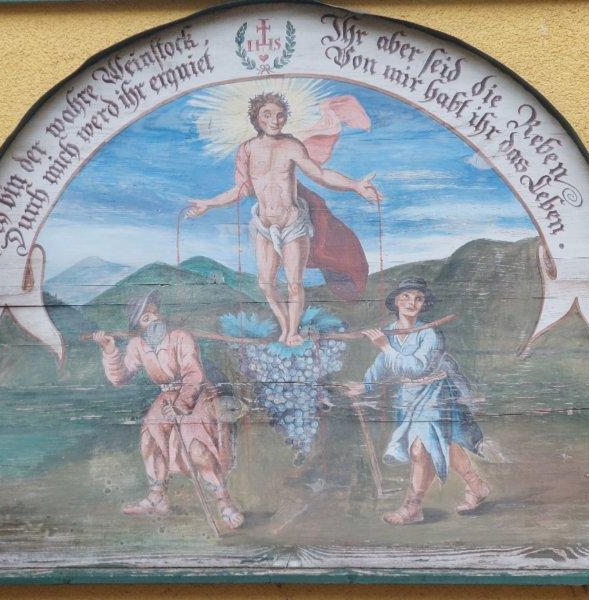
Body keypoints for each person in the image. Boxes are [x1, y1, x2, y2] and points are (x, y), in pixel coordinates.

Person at [185, 92, 381, 346]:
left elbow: (320, 174)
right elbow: (242, 190)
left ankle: (292, 332)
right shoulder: (247, 149)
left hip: (293, 224)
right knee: (265, 284)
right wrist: (209, 204)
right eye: (267, 114)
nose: (274, 120)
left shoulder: (292, 146)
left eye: (280, 115)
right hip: (264, 225)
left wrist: (354, 185)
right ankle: (285, 325)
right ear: (256, 117)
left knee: (293, 283)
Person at [92, 290, 244, 529]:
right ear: (138, 326)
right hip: (166, 397)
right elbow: (120, 378)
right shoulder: (137, 345)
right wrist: (110, 350)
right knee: (150, 439)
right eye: (146, 318)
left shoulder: (180, 337)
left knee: (198, 448)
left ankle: (224, 502)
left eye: (154, 313)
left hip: (195, 395)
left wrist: (182, 405)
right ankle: (157, 498)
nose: (154, 320)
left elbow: (193, 374)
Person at [346, 277, 491, 525]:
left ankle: (412, 507)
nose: (411, 302)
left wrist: (385, 347)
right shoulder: (392, 332)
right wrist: (365, 385)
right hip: (410, 397)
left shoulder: (429, 333)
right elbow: (382, 364)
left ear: (423, 304)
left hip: (436, 393)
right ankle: (477, 485)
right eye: (405, 296)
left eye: (418, 298)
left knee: (420, 448)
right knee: (444, 445)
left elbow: (415, 368)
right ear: (395, 301)